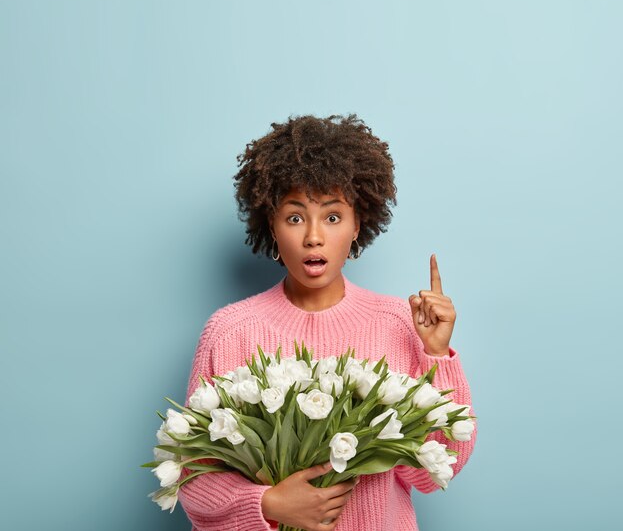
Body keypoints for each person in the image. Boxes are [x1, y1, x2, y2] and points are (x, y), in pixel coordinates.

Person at [177, 114, 477, 531]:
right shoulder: (229, 332)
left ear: (358, 224)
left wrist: (437, 354)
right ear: (272, 226)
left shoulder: (399, 323)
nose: (313, 237)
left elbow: (432, 472)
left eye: (333, 217)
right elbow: (192, 476)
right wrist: (266, 504)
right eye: (295, 217)